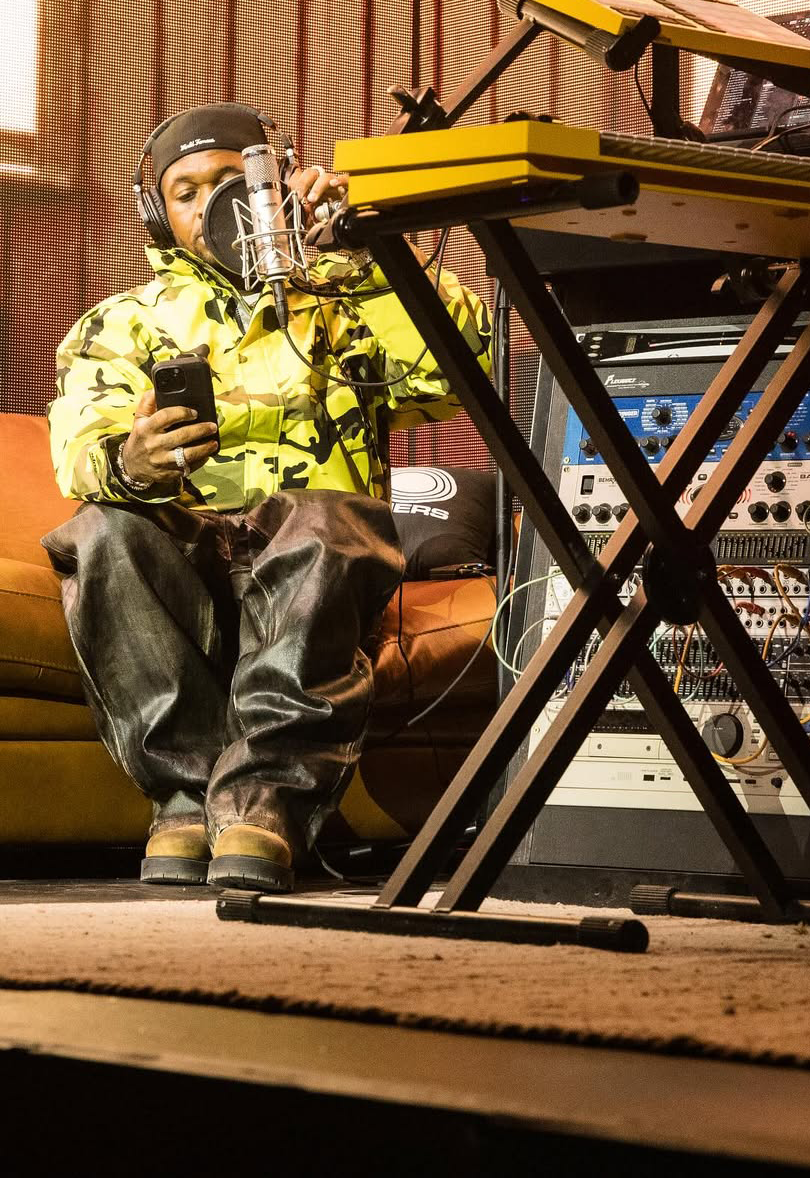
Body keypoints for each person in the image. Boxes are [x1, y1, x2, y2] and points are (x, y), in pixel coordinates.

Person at [42, 102, 491, 893]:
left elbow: (461, 371)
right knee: (101, 530)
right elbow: (81, 450)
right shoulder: (119, 324)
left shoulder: (349, 295)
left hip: (317, 567)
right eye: (186, 192)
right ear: (158, 214)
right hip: (185, 574)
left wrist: (367, 251)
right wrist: (133, 463)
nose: (209, 205)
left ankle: (263, 804)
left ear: (277, 185)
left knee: (323, 516)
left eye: (231, 181)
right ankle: (186, 804)